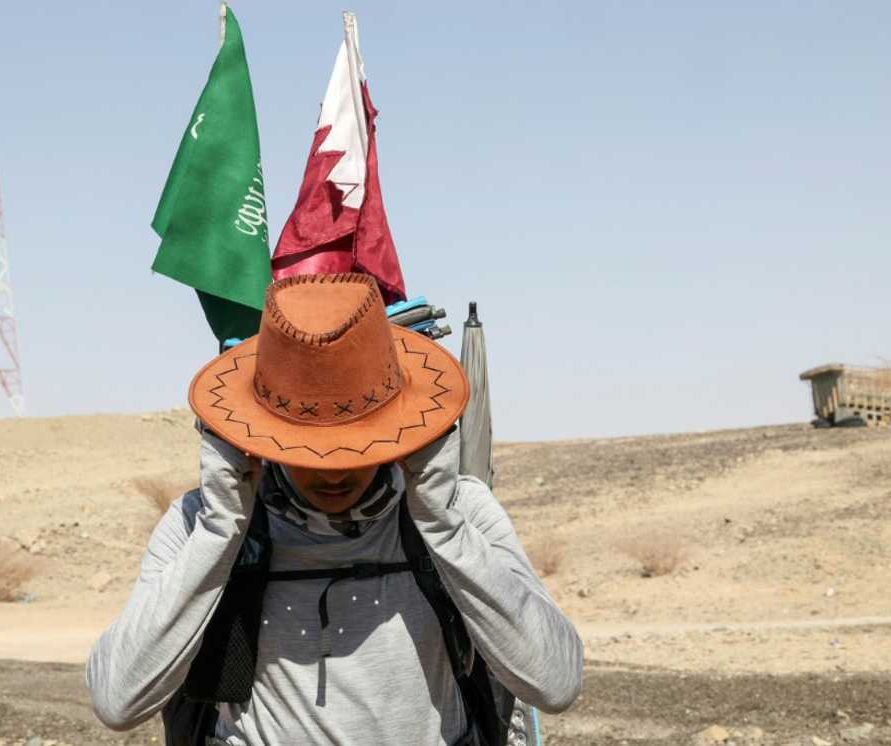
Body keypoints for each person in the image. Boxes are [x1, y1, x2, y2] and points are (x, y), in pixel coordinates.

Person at [86, 273, 583, 745]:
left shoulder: (460, 511)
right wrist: (221, 530)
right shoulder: (202, 522)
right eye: (303, 450)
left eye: (356, 448)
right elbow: (118, 701)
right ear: (258, 437)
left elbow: (555, 684)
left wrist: (444, 526)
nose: (331, 472)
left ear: (401, 430)